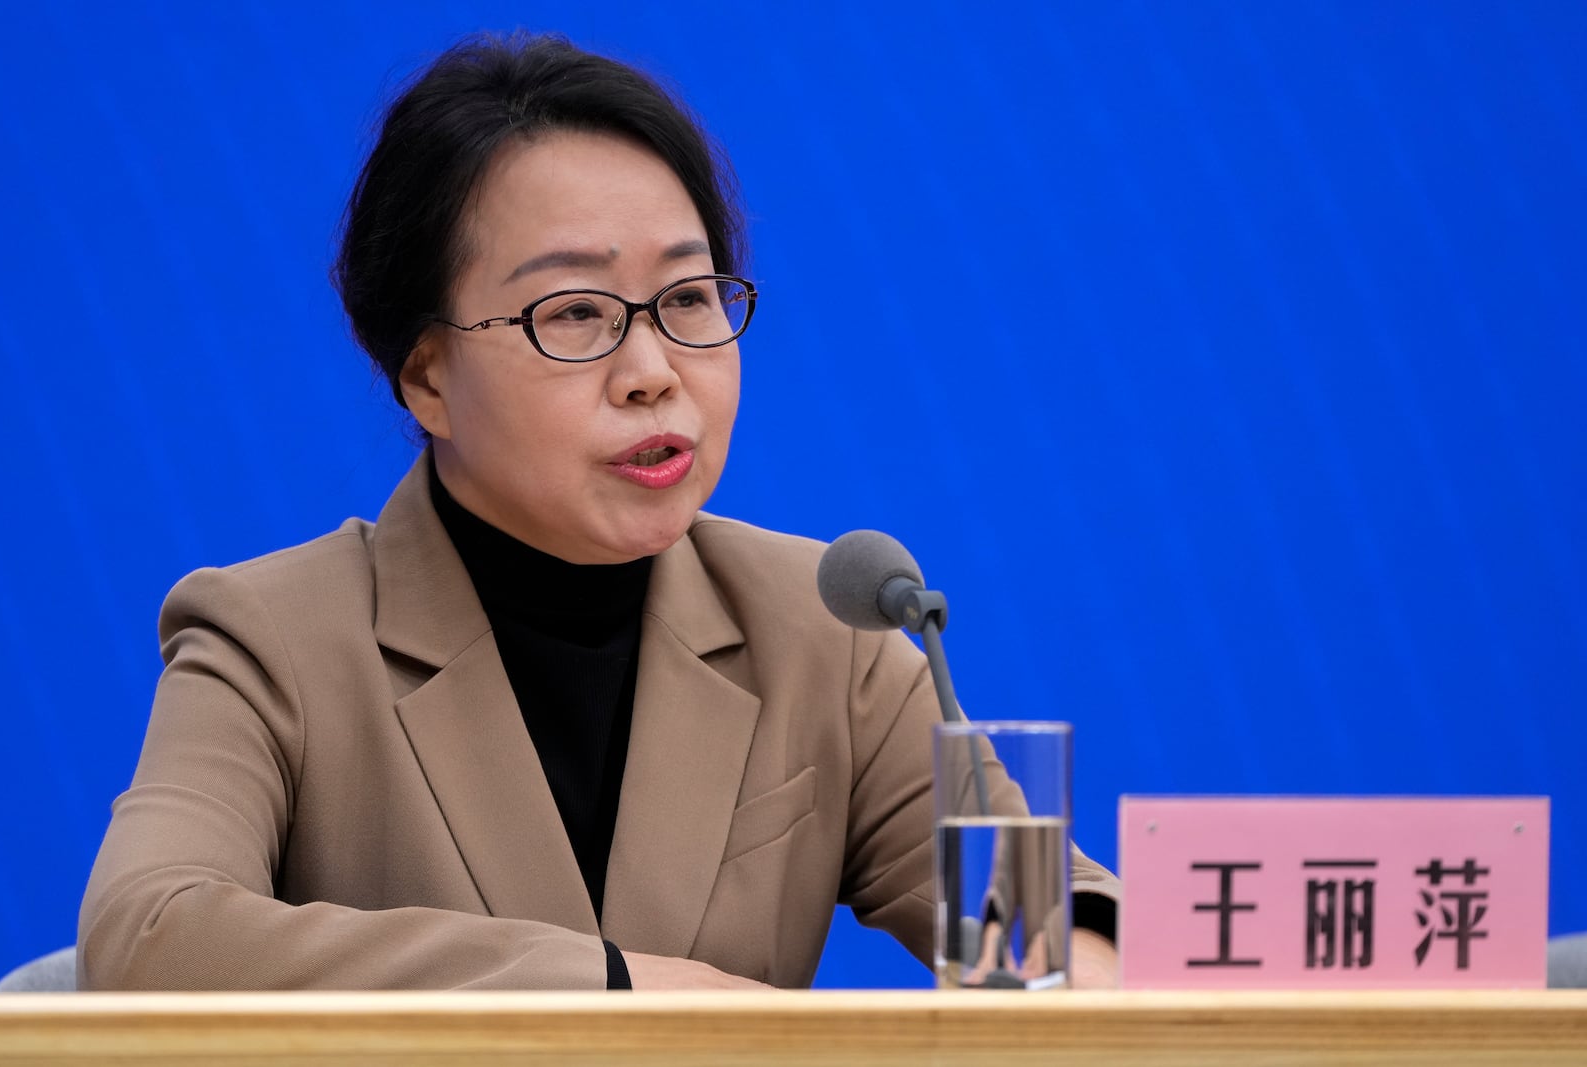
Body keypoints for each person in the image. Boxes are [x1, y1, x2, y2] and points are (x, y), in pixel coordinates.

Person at [78, 32, 1121, 991]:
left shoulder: (823, 629)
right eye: (575, 312)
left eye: (688, 298)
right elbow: (147, 932)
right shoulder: (276, 638)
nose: (653, 371)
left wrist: (1077, 970)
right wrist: (613, 987)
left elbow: (1045, 921)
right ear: (426, 375)